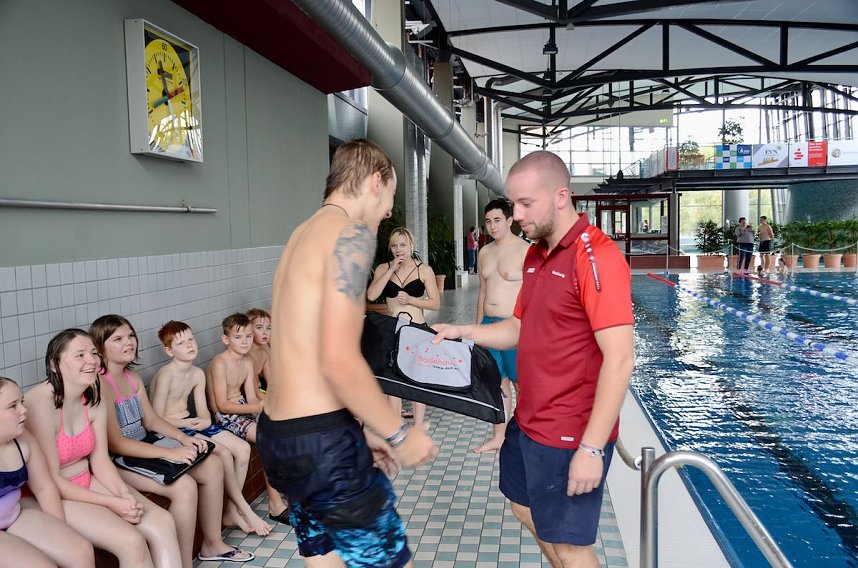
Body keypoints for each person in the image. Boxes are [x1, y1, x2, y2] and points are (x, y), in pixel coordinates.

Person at [432, 150, 634, 568]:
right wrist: (465, 332)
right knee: (524, 510)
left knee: (570, 546)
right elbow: (518, 328)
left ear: (561, 196)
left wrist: (592, 449)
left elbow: (620, 359)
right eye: (513, 204)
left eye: (526, 204)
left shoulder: (595, 257)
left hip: (569, 431)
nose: (516, 214)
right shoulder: (537, 255)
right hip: (530, 421)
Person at [258, 138, 438, 568]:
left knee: (327, 559)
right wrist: (398, 433)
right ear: (375, 181)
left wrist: (357, 431)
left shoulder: (301, 235)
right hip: (322, 444)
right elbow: (337, 359)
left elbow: (302, 351)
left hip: (280, 439)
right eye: (390, 199)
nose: (387, 213)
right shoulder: (351, 235)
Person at [89, 314, 253, 565]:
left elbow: (152, 420)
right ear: (100, 348)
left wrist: (181, 439)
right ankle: (183, 562)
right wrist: (169, 453)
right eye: (118, 339)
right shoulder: (102, 383)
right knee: (184, 487)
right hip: (119, 460)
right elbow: (116, 444)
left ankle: (211, 543)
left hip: (145, 445)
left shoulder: (131, 376)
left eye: (131, 336)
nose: (129, 343)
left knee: (212, 465)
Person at [25, 328, 181, 568]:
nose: (91, 361)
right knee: (132, 541)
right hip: (53, 493)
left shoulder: (93, 396)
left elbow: (100, 461)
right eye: (79, 355)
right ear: (55, 364)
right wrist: (112, 503)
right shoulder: (40, 403)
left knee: (163, 521)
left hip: (86, 478)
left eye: (94, 353)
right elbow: (51, 481)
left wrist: (124, 494)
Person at [150, 320, 272, 537]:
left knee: (243, 449)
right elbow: (156, 419)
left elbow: (204, 414)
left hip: (192, 424)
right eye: (181, 343)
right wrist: (188, 424)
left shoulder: (196, 374)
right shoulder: (166, 375)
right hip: (171, 429)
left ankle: (232, 510)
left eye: (191, 340)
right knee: (224, 453)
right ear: (168, 351)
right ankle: (243, 508)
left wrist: (204, 421)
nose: (189, 346)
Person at [0, 376, 94, 568]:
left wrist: (62, 532)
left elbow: (44, 488)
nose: (24, 410)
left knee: (80, 550)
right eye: (12, 406)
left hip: (14, 515)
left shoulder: (23, 439)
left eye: (22, 402)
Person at [206, 313, 289, 524]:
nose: (245, 342)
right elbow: (222, 405)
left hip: (243, 409)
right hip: (225, 416)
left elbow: (252, 396)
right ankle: (273, 504)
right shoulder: (219, 363)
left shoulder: (247, 362)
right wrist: (256, 407)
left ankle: (287, 492)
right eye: (238, 337)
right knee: (268, 439)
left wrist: (267, 408)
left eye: (248, 337)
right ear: (226, 339)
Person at [366, 226, 441, 426]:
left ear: (411, 246)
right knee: (394, 380)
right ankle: (394, 426)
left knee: (416, 378)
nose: (399, 250)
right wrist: (391, 268)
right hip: (392, 331)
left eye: (403, 245)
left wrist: (411, 299)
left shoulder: (423, 269)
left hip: (417, 329)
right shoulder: (383, 268)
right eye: (394, 246)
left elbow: (435, 303)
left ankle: (418, 426)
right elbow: (372, 295)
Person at [472, 198, 529, 454]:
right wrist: (476, 329)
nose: (492, 226)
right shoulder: (484, 252)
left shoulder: (524, 250)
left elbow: (533, 293)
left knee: (521, 384)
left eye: (497, 220)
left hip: (514, 326)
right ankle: (499, 435)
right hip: (489, 324)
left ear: (509, 221)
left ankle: (528, 433)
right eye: (487, 222)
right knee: (497, 382)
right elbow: (482, 293)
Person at [246, 308, 272, 398]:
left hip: (260, 389)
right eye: (259, 327)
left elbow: (271, 383)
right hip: (248, 394)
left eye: (269, 328)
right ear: (249, 330)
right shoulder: (246, 355)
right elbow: (255, 392)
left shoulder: (264, 354)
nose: (265, 332)